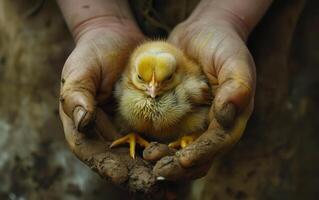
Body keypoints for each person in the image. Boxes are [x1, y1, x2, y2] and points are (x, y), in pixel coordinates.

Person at [57, 0, 272, 191]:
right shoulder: (124, 85)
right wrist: (96, 21)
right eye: (143, 81)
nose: (153, 90)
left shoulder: (192, 86)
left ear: (177, 73)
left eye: (165, 81)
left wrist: (228, 16)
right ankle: (132, 136)